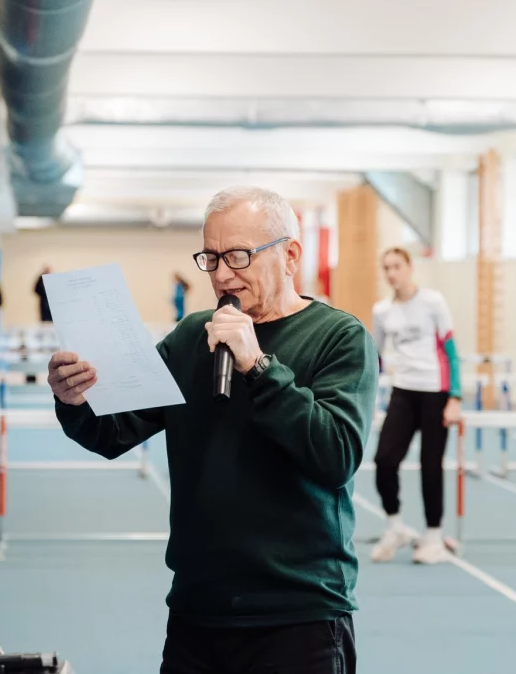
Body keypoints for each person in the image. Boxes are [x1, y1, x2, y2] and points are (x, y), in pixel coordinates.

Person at [48, 186, 378, 673]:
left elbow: (335, 454)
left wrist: (259, 365)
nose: (223, 273)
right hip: (198, 613)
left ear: (290, 255)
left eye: (240, 256)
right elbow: (112, 433)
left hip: (298, 615)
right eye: (212, 257)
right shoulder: (190, 338)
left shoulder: (339, 338)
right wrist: (74, 399)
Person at [368, 248, 463, 565]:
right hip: (403, 392)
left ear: (409, 268)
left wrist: (455, 397)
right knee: (384, 459)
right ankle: (395, 526)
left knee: (430, 465)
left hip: (435, 392)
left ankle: (434, 536)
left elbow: (451, 349)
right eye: (386, 268)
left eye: (396, 266)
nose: (391, 273)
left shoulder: (432, 302)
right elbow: (376, 358)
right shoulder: (382, 311)